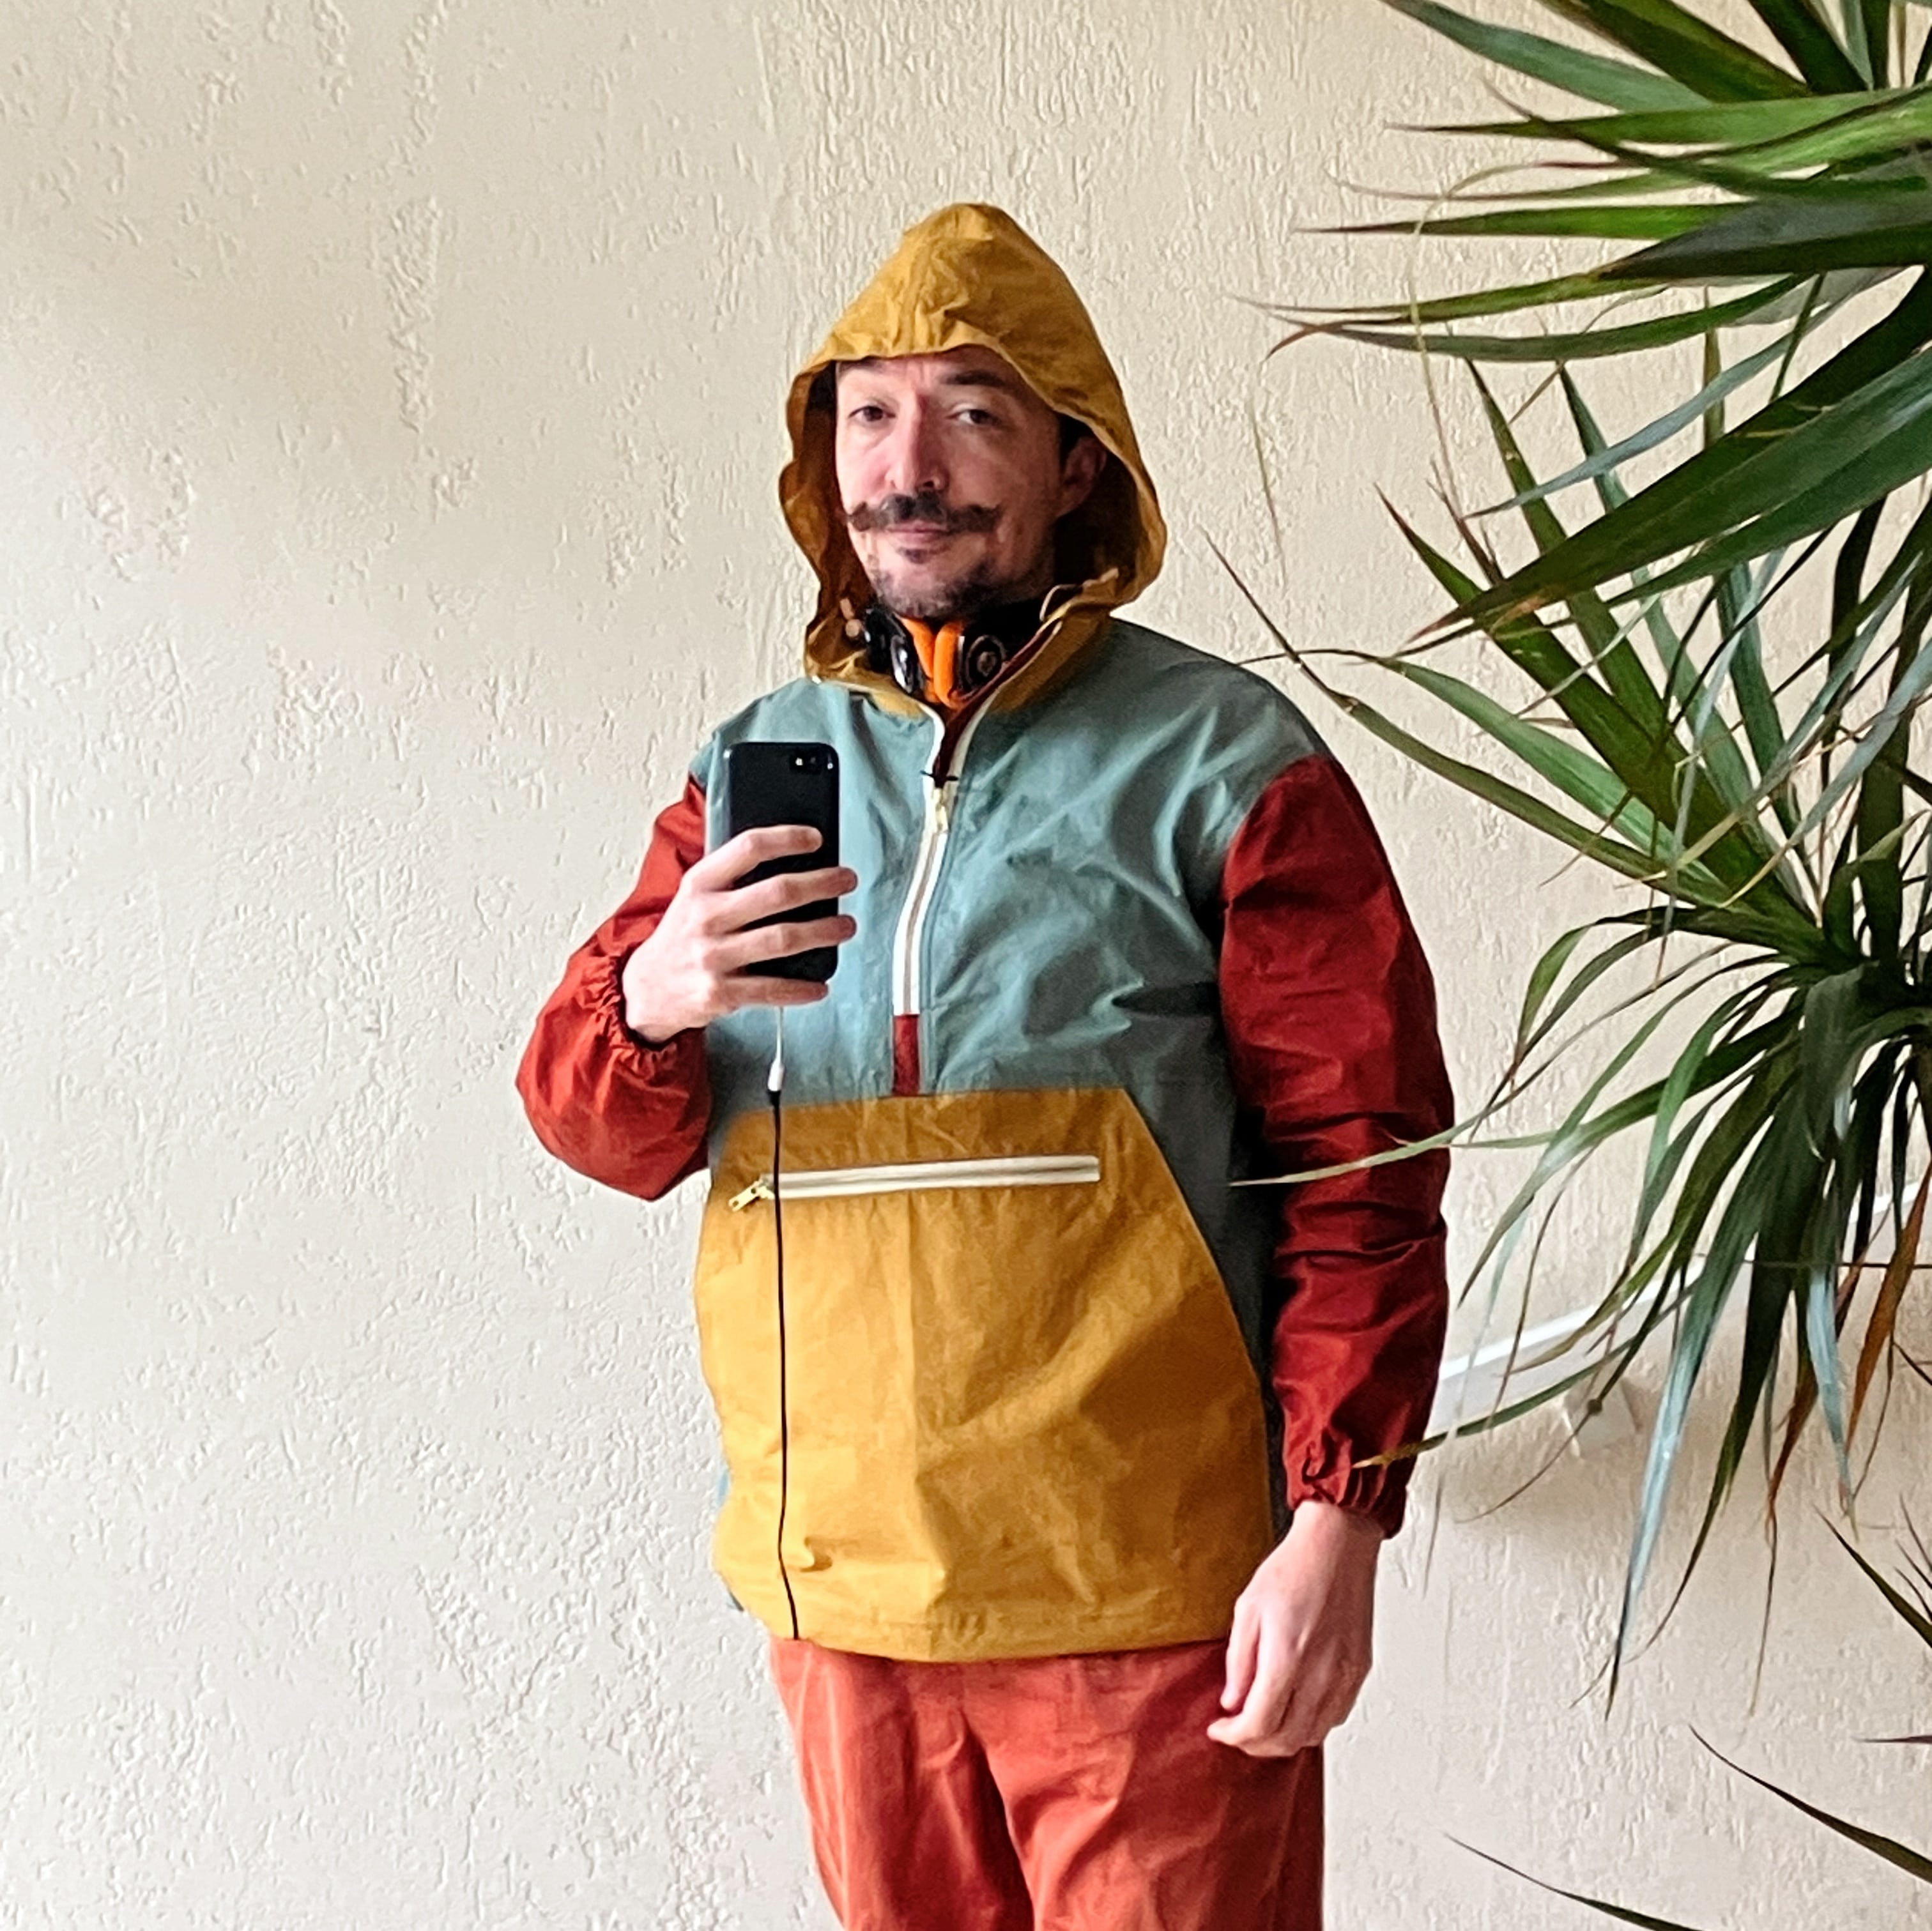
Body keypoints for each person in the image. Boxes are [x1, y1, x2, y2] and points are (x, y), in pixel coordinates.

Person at [518, 202, 1452, 1931]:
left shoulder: (1227, 763)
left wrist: (1341, 1523)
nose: (911, 463)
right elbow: (598, 1131)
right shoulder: (754, 766)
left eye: (974, 412)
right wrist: (647, 997)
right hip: (847, 1589)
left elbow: (1361, 1166)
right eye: (870, 415)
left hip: (1148, 1599)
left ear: (1076, 468)